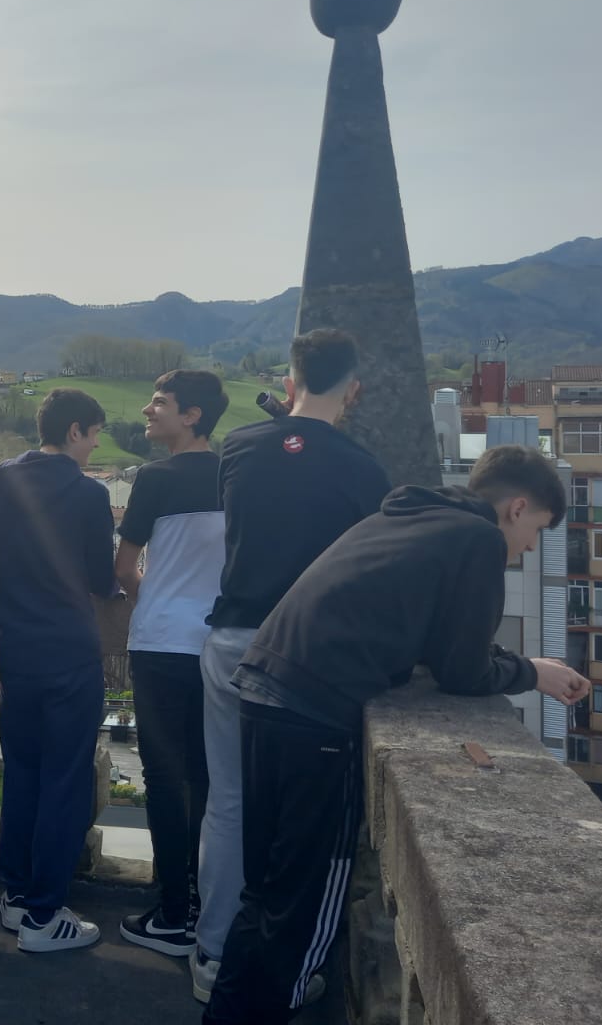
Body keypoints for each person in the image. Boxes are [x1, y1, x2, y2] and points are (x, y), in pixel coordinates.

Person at [205, 445, 591, 1024]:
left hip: (267, 686)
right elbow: (464, 670)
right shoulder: (478, 540)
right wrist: (534, 672)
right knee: (306, 904)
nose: (531, 546)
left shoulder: (404, 515)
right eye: (537, 529)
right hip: (317, 710)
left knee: (265, 890)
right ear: (517, 508)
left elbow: (437, 641)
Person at [194, 329, 390, 1004]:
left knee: (227, 801)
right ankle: (277, 967)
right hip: (302, 654)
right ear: (354, 390)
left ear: (289, 379)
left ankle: (213, 955)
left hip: (228, 637)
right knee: (295, 823)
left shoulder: (238, 447)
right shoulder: (366, 471)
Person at [0, 388, 116, 953]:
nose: (97, 444)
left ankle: (16, 895)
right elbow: (103, 578)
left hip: (19, 650)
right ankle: (44, 915)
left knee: (25, 774)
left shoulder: (0, 482)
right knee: (66, 778)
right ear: (76, 431)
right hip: (70, 650)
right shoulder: (88, 494)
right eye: (96, 433)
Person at [113, 369, 229, 957]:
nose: (147, 410)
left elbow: (123, 567)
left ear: (193, 416)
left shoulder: (155, 478)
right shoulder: (237, 475)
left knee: (164, 777)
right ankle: (209, 907)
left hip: (161, 644)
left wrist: (152, 602)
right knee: (209, 778)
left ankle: (172, 912)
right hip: (218, 644)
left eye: (160, 403)